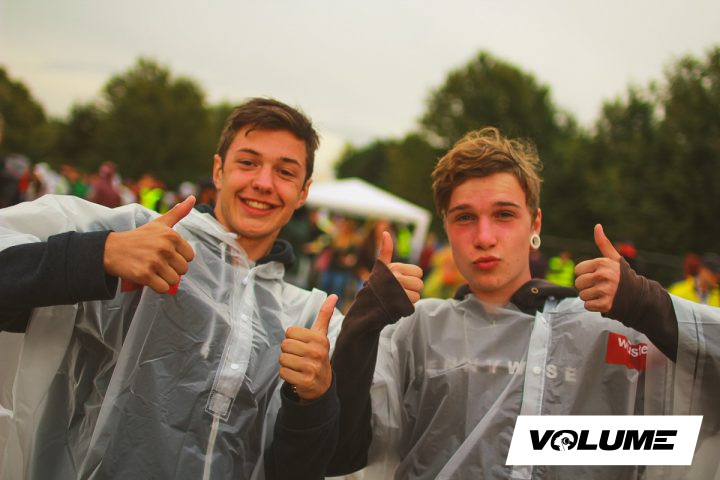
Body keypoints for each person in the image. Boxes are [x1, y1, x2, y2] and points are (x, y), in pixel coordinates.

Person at [0, 98, 423, 480]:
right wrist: (100, 255)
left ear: (303, 192)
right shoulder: (138, 239)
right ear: (219, 170)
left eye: (285, 172)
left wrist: (312, 400)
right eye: (248, 163)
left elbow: (308, 467)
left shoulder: (307, 316)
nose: (263, 182)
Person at [327, 127, 720, 479]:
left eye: (504, 214)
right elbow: (339, 455)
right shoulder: (416, 331)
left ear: (535, 224)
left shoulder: (605, 330)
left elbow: (677, 436)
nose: (484, 237)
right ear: (445, 224)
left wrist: (649, 306)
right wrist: (361, 326)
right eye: (465, 218)